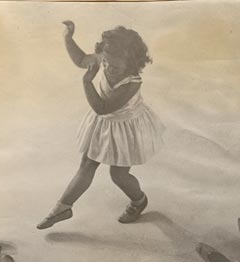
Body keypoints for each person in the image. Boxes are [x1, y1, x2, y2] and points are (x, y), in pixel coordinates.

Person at [38, 23, 163, 229]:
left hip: (125, 128)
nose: (107, 68)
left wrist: (87, 82)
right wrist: (68, 38)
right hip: (104, 124)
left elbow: (102, 108)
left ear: (131, 64)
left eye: (115, 67)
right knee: (87, 163)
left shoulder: (132, 81)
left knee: (118, 175)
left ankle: (139, 200)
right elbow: (80, 60)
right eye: (105, 63)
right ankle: (63, 207)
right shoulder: (106, 58)